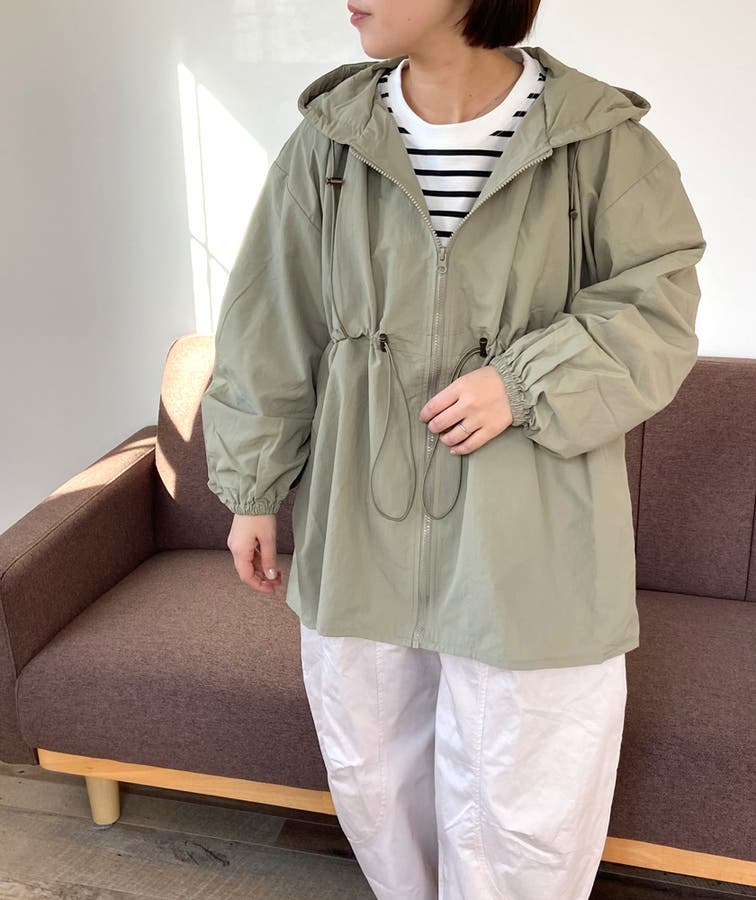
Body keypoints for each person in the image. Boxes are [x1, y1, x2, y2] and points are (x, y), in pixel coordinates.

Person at [200, 0, 707, 897]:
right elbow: (271, 321)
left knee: (527, 788)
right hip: (360, 510)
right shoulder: (329, 145)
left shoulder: (599, 143)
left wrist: (525, 381)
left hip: (534, 515)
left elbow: (657, 309)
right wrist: (253, 489)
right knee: (373, 771)